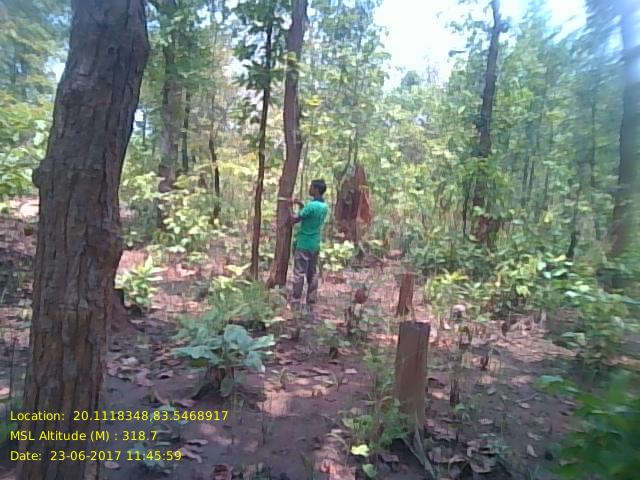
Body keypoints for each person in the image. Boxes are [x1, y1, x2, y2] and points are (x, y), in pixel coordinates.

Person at [289, 179, 329, 308]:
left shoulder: (311, 206)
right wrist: (301, 205)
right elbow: (309, 216)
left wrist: (289, 207)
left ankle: (295, 300)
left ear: (316, 189)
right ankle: (311, 301)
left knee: (299, 273)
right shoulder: (324, 207)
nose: (309, 188)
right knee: (312, 273)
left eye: (311, 187)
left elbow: (294, 219)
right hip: (315, 244)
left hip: (303, 244)